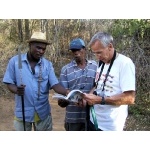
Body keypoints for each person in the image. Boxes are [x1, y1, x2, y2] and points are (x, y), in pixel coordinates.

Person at [3, 31, 68, 131]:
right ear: (30, 45)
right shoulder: (16, 61)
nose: (41, 51)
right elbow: (9, 82)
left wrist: (68, 92)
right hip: (23, 112)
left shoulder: (47, 65)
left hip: (42, 112)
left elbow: (55, 84)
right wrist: (16, 89)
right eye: (38, 47)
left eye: (43, 49)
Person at [83, 32, 136, 131]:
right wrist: (87, 98)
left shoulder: (125, 63)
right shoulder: (102, 62)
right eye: (95, 53)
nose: (97, 56)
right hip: (93, 119)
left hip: (110, 126)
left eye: (99, 52)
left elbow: (130, 98)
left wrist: (100, 100)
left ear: (110, 46)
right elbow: (97, 85)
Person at [58, 38, 97, 131]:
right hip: (73, 118)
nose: (76, 52)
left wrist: (89, 97)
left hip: (92, 116)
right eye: (73, 50)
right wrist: (69, 99)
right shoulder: (66, 70)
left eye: (78, 49)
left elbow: (99, 86)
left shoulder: (95, 66)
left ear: (85, 49)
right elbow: (62, 99)